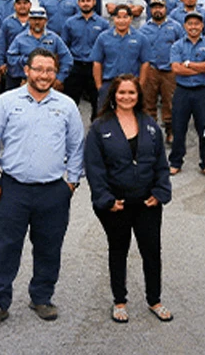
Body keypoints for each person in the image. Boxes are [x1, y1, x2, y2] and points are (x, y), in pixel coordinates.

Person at [0, 48, 84, 332]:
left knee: (49, 247)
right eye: (38, 69)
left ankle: (41, 297)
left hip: (53, 191)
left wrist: (71, 182)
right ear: (26, 70)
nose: (44, 75)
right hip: (13, 189)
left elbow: (77, 146)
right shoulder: (6, 102)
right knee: (6, 246)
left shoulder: (66, 105)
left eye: (50, 70)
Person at [84, 74, 173, 324]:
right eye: (121, 93)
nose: (126, 97)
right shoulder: (100, 127)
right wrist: (106, 199)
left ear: (139, 96)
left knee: (152, 252)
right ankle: (119, 301)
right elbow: (94, 168)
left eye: (131, 93)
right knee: (118, 250)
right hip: (116, 204)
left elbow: (161, 165)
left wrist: (160, 193)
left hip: (147, 203)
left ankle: (154, 300)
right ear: (113, 95)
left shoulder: (150, 125)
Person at [168, 11, 205, 175]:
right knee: (178, 127)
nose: (193, 27)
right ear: (185, 26)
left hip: (203, 92)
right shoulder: (177, 45)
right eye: (190, 24)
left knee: (204, 128)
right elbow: (176, 68)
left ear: (202, 26)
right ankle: (175, 162)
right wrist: (199, 67)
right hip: (182, 91)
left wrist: (187, 64)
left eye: (197, 24)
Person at [138, 0, 185, 143]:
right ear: (150, 10)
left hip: (170, 70)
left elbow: (183, 46)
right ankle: (150, 132)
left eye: (160, 7)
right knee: (148, 102)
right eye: (154, 7)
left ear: (166, 9)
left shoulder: (176, 26)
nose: (157, 10)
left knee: (170, 103)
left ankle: (170, 132)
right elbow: (140, 50)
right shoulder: (144, 29)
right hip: (151, 70)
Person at [91, 4, 152, 107]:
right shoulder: (103, 38)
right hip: (109, 83)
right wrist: (99, 86)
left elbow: (145, 63)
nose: (122, 20)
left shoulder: (141, 38)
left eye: (125, 17)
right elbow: (97, 63)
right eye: (118, 17)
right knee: (105, 117)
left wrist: (140, 85)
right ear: (113, 18)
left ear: (131, 18)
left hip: (131, 84)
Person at [62, 0, 110, 120]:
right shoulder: (70, 23)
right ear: (78, 3)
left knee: (97, 102)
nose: (85, 3)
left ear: (94, 2)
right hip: (75, 67)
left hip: (94, 67)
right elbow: (64, 46)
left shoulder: (103, 24)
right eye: (82, 0)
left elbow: (107, 47)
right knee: (70, 102)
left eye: (88, 0)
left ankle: (96, 133)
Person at [6, 7, 73, 89]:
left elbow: (67, 59)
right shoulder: (20, 38)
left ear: (45, 21)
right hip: (26, 82)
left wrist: (59, 78)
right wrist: (27, 62)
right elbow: (11, 58)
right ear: (29, 20)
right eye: (34, 19)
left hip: (48, 82)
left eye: (40, 19)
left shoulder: (54, 38)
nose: (37, 22)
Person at [0, 0, 31, 88]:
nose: (22, 6)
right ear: (14, 6)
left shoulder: (36, 22)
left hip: (32, 68)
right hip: (13, 68)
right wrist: (1, 63)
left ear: (30, 5)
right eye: (19, 3)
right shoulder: (7, 22)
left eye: (25, 3)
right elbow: (1, 43)